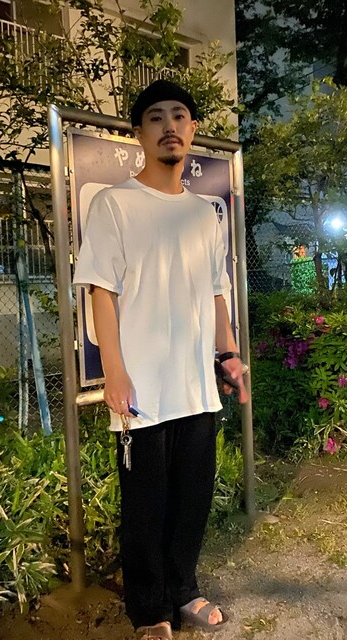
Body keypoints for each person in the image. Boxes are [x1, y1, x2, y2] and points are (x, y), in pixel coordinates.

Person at [73, 79, 249, 640]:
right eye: (156, 117)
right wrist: (115, 372)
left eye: (179, 116)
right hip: (142, 390)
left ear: (192, 130)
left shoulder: (204, 213)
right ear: (138, 134)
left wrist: (229, 354)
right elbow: (102, 291)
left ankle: (184, 590)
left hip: (196, 385)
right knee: (145, 506)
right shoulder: (115, 203)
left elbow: (217, 291)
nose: (169, 126)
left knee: (193, 499)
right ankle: (150, 611)